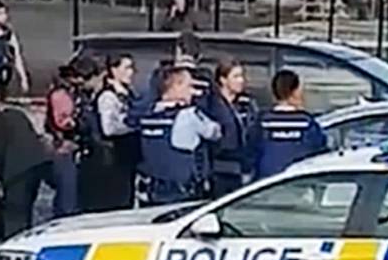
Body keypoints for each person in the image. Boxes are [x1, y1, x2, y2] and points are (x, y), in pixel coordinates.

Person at [0, 80, 51, 239]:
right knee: (25, 211)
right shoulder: (15, 112)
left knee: (14, 216)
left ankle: (15, 244)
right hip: (35, 166)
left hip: (16, 170)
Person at [136, 66, 221, 205]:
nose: (193, 92)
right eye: (189, 86)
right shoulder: (188, 115)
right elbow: (215, 132)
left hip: (152, 192)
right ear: (176, 86)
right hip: (184, 195)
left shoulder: (148, 116)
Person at [251, 70, 327, 179]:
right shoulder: (306, 123)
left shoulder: (263, 122)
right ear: (294, 92)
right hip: (297, 181)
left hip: (266, 182)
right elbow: (319, 150)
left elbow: (251, 152)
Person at [205, 58, 256, 197]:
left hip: (243, 168)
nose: (241, 80)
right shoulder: (211, 104)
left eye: (242, 76)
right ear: (223, 80)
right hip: (219, 171)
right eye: (236, 76)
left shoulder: (247, 104)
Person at [93, 54, 139, 210]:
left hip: (127, 157)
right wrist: (132, 126)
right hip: (114, 158)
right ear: (114, 70)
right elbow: (108, 128)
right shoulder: (108, 96)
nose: (131, 72)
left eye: (132, 68)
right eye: (127, 68)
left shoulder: (127, 93)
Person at [69, 56, 110, 212]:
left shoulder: (106, 97)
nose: (80, 84)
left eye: (84, 79)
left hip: (105, 157)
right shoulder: (84, 96)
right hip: (89, 154)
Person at [42, 62, 81, 219]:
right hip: (63, 146)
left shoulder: (67, 93)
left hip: (65, 145)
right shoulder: (60, 95)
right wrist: (76, 121)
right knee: (67, 192)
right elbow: (61, 121)